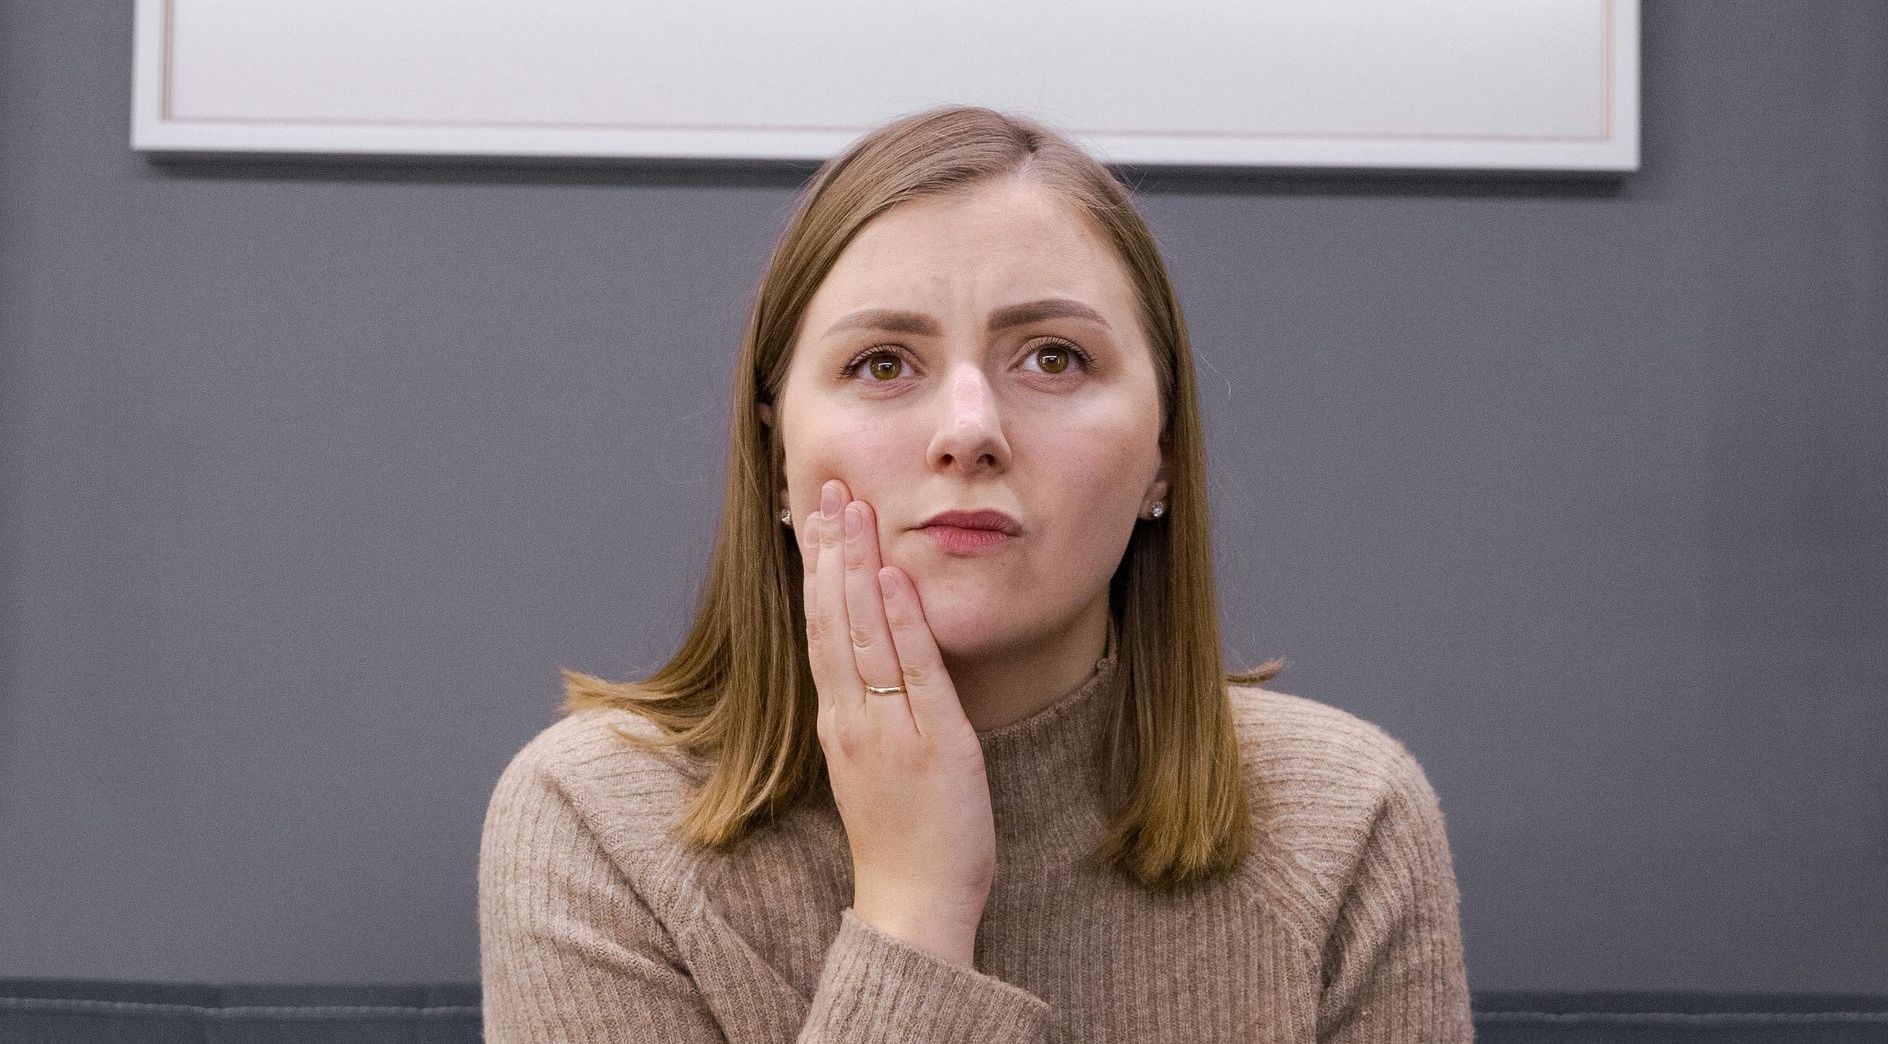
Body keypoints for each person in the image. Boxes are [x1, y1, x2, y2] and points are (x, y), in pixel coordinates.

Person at [478, 104, 1473, 1042]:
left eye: (1052, 359)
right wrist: (915, 910)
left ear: (1162, 457)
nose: (969, 432)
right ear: (777, 456)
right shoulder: (595, 821)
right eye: (882, 364)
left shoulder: (1350, 819)